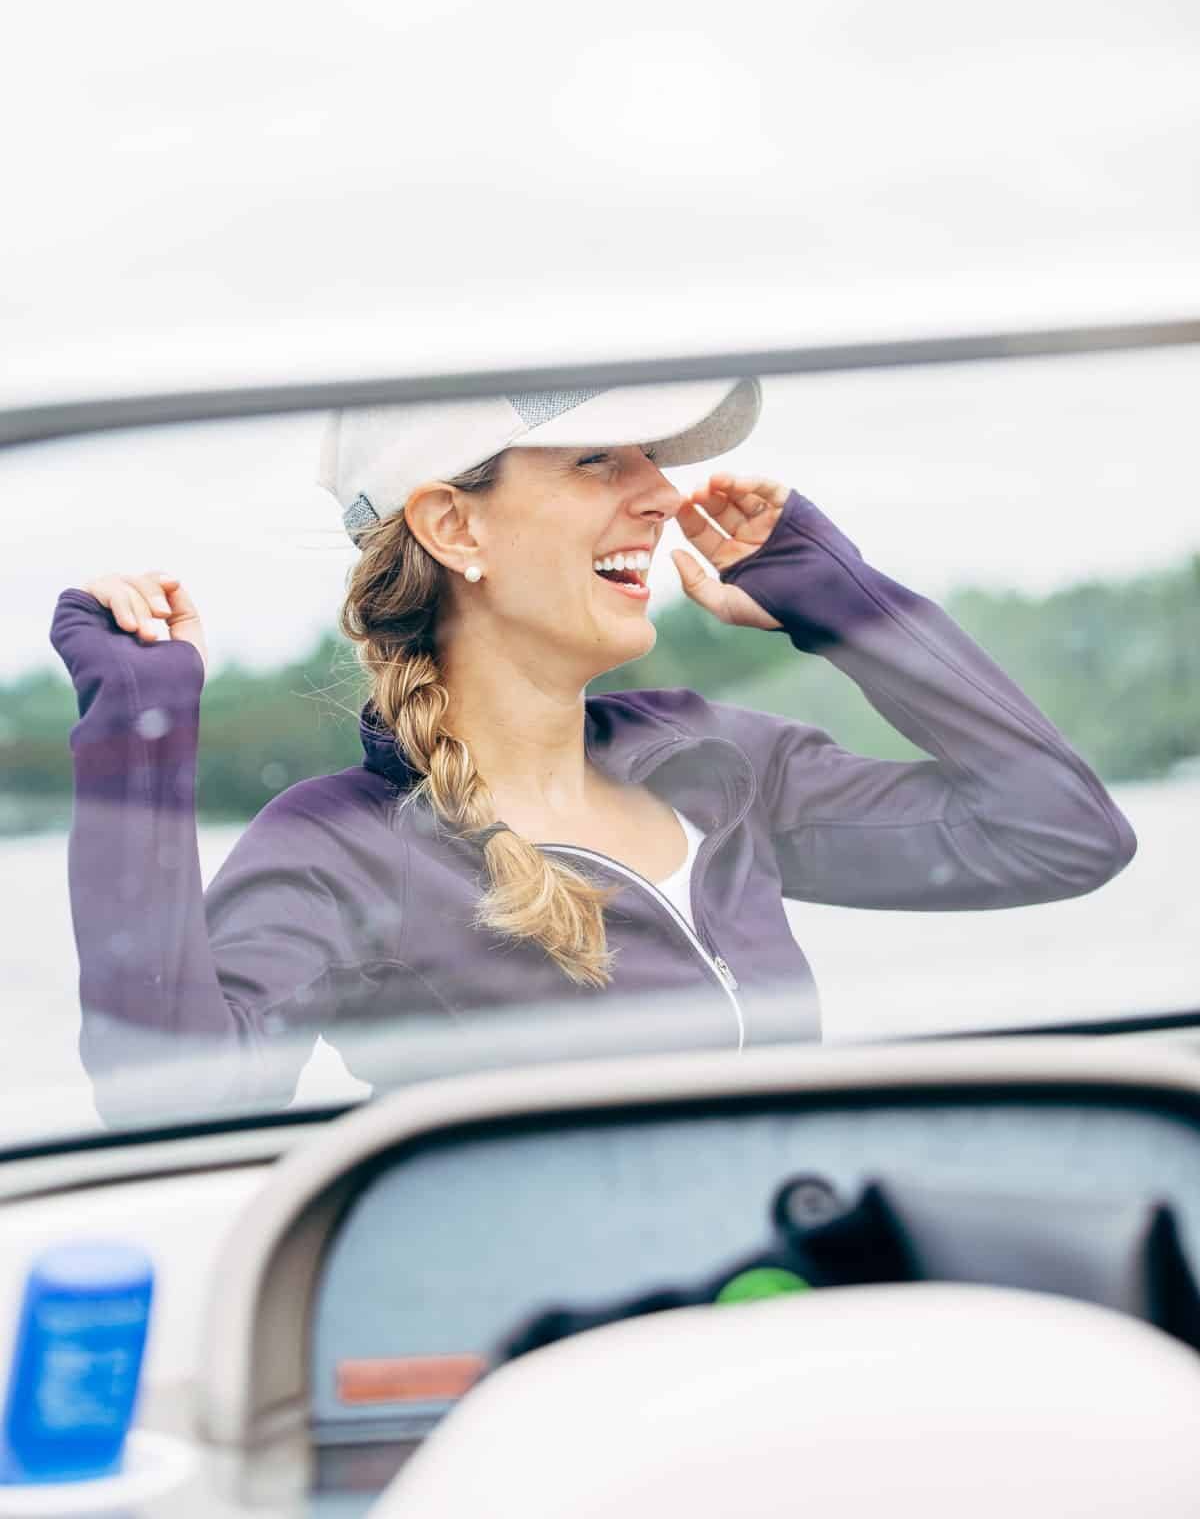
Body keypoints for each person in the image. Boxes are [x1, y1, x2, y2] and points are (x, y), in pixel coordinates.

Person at [50, 377, 1136, 1118]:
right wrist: (136, 739)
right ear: (453, 527)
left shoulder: (715, 760)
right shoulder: (340, 848)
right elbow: (172, 1097)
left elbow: (1058, 835)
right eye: (597, 459)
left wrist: (834, 595)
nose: (662, 494)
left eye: (654, 459)